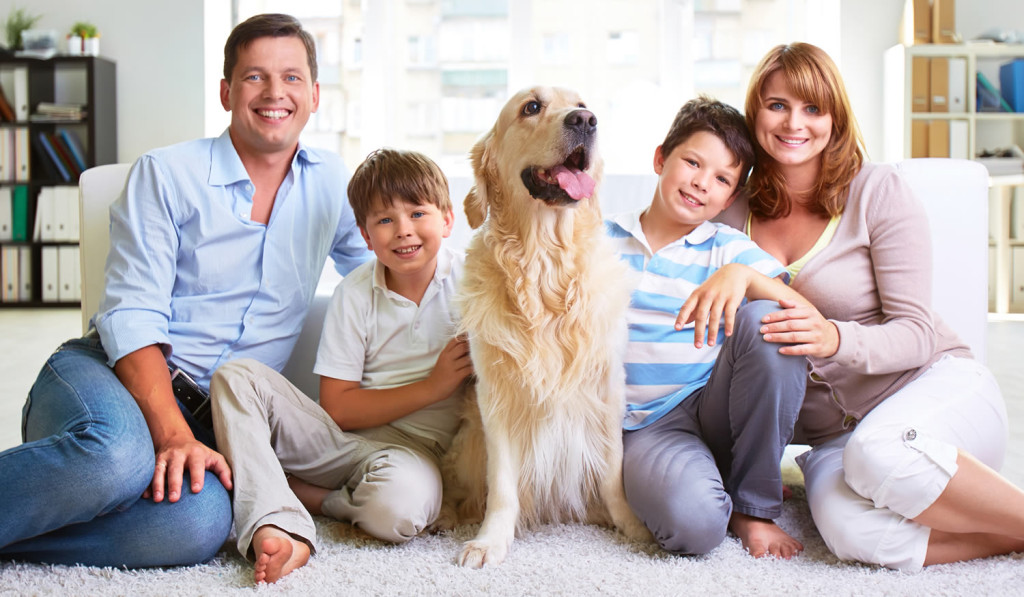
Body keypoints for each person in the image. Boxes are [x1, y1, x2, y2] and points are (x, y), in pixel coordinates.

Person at [0, 13, 370, 568]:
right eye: (254, 77)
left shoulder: (332, 183)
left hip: (215, 419)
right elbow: (130, 314)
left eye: (292, 78)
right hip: (109, 374)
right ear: (226, 92)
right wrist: (172, 434)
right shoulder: (167, 173)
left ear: (315, 95)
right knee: (116, 459)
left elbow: (385, 272)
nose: (275, 93)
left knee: (197, 524)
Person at [713, 42, 1022, 571]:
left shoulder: (877, 190)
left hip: (935, 391)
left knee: (877, 454)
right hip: (837, 440)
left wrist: (836, 338)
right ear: (755, 110)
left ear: (836, 119)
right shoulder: (728, 210)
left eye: (813, 108)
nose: (794, 123)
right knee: (850, 533)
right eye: (778, 105)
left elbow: (918, 334)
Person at [210, 147, 472, 584]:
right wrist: (433, 386)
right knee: (235, 377)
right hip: (342, 442)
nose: (403, 231)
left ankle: (312, 497)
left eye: (418, 213)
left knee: (399, 510)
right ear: (366, 237)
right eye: (385, 220)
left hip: (419, 455)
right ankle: (275, 521)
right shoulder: (355, 292)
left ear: (447, 220)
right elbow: (339, 407)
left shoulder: (471, 282)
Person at [606, 96, 810, 560]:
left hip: (715, 406)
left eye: (721, 178)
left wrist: (746, 277)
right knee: (695, 528)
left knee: (770, 320)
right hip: (647, 425)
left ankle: (753, 506)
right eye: (692, 163)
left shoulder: (728, 247)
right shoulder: (599, 238)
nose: (701, 183)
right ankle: (712, 491)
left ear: (732, 197)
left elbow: (804, 316)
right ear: (661, 158)